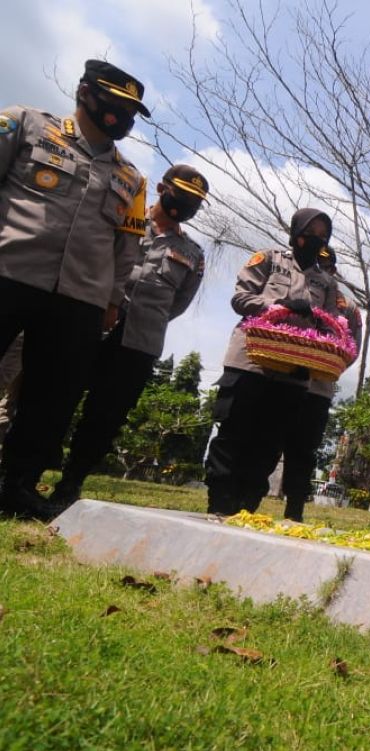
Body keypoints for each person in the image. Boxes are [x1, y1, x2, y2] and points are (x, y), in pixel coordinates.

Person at [0, 60, 149, 519]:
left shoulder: (132, 178)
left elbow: (127, 249)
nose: (120, 117)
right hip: (11, 272)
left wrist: (111, 301)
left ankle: (19, 486)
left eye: (130, 111)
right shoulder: (24, 123)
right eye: (115, 104)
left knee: (53, 397)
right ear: (85, 92)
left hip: (80, 299)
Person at [48, 165, 209, 509]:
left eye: (195, 202)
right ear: (163, 188)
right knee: (55, 395)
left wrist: (143, 315)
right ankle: (22, 475)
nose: (187, 205)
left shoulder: (193, 253)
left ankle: (71, 483)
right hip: (90, 319)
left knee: (106, 415)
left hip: (139, 342)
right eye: (182, 195)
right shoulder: (124, 217)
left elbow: (179, 303)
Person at [205, 208, 340, 516]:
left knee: (270, 443)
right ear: (296, 232)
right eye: (311, 231)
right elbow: (241, 299)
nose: (316, 238)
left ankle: (247, 506)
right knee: (234, 431)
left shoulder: (326, 284)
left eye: (323, 234)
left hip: (294, 371)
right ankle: (219, 502)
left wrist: (318, 322)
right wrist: (278, 305)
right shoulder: (268, 259)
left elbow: (331, 324)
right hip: (251, 360)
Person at [273, 246, 362, 522]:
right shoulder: (297, 290)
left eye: (327, 267)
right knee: (269, 440)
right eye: (318, 265)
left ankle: (295, 509)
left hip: (317, 388)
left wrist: (328, 367)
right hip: (283, 378)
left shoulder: (350, 309)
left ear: (334, 270)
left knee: (304, 449)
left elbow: (352, 348)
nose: (321, 271)